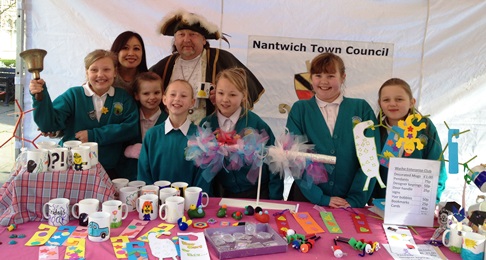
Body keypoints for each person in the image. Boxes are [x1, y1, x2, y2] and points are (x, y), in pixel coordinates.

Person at [286, 52, 379, 208]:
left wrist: (355, 199)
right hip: (307, 198)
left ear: (343, 77)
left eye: (330, 76)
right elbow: (295, 158)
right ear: (311, 78)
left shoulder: (361, 108)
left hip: (348, 200)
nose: (323, 81)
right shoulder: (299, 109)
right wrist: (320, 197)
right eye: (318, 75)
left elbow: (370, 156)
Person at [29, 49, 139, 179]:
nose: (100, 75)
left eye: (106, 69)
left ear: (115, 72)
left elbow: (131, 128)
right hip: (73, 170)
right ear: (86, 72)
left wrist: (93, 135)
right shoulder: (73, 95)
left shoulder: (123, 98)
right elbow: (49, 125)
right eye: (94, 70)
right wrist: (40, 97)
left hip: (110, 170)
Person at [150, 9, 264, 124]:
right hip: (174, 131)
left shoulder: (221, 59)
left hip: (210, 132)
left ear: (204, 40)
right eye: (181, 35)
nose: (186, 39)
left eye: (192, 34)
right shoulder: (165, 65)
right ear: (175, 40)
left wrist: (222, 98)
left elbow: (245, 90)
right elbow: (144, 91)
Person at [195, 68, 283, 200]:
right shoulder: (206, 125)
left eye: (232, 95)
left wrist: (275, 199)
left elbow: (275, 163)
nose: (225, 99)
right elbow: (201, 168)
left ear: (244, 95)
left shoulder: (257, 124)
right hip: (220, 195)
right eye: (220, 93)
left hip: (258, 195)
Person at [370, 78, 447, 204]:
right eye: (386, 100)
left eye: (399, 99)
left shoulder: (424, 127)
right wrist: (371, 199)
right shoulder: (375, 130)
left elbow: (438, 167)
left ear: (412, 102)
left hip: (418, 203)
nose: (392, 104)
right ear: (380, 103)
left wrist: (432, 201)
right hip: (382, 203)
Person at [137, 79, 197, 184]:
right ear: (164, 99)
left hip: (191, 198)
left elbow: (203, 177)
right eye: (173, 94)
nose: (177, 99)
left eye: (183, 96)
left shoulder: (200, 136)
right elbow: (144, 173)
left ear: (192, 102)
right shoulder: (152, 135)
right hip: (157, 198)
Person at [119, 72, 168, 181]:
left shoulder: (168, 121)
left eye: (156, 92)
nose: (152, 97)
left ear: (163, 94)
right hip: (129, 178)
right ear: (137, 95)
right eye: (146, 93)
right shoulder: (129, 119)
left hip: (158, 179)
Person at [110, 31, 149, 97]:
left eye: (136, 49)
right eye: (125, 48)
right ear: (116, 52)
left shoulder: (149, 80)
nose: (131, 53)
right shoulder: (107, 79)